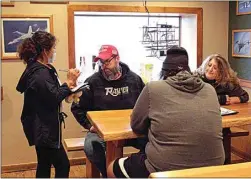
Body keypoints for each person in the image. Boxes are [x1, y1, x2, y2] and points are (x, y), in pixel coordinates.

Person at [107, 46, 225, 178]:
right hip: (214, 168)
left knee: (112, 168)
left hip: (164, 167)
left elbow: (136, 126)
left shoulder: (153, 88)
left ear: (164, 71)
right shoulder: (210, 90)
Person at [71, 44, 146, 177]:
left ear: (117, 58)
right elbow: (77, 108)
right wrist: (89, 126)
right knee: (91, 146)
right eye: (101, 62)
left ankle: (133, 171)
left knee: (153, 142)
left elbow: (146, 105)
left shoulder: (134, 80)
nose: (104, 66)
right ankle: (109, 174)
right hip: (101, 133)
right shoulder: (92, 82)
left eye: (107, 61)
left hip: (131, 130)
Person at [16, 31, 80, 178]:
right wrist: (69, 81)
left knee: (44, 163)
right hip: (43, 129)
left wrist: (68, 86)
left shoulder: (39, 68)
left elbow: (50, 93)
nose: (54, 51)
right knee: (63, 165)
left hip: (40, 126)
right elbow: (53, 97)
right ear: (45, 51)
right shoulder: (40, 74)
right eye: (52, 48)